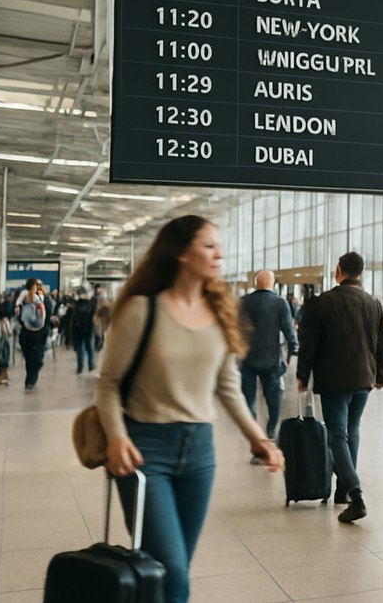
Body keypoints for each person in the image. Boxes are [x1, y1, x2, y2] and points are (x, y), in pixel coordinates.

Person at [96, 215, 284, 603]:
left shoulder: (219, 312)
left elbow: (228, 387)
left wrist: (259, 439)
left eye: (219, 245)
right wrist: (115, 436)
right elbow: (109, 384)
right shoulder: (141, 311)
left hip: (200, 451)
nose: (220, 253)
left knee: (172, 569)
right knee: (173, 569)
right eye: (209, 245)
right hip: (145, 451)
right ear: (182, 253)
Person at [296, 251, 383, 523]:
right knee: (352, 429)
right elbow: (380, 343)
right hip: (364, 378)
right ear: (361, 272)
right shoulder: (374, 304)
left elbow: (309, 344)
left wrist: (303, 375)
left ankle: (356, 493)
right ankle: (342, 491)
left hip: (334, 378)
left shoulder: (322, 303)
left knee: (337, 432)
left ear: (338, 270)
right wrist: (381, 374)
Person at [239, 271, 299, 453]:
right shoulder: (280, 303)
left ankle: (255, 436)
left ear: (257, 283)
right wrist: (294, 348)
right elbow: (289, 329)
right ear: (272, 284)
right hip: (271, 360)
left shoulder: (243, 302)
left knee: (249, 400)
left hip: (247, 359)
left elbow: (235, 328)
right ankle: (270, 432)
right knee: (274, 399)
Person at [15, 279, 49, 392]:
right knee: (29, 357)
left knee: (38, 358)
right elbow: (17, 310)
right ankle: (30, 379)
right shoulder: (23, 297)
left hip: (40, 332)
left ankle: (31, 379)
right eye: (32, 287)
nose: (33, 290)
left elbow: (48, 312)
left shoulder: (42, 298)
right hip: (27, 332)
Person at [70, 287, 99, 374]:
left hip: (81, 328)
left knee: (82, 348)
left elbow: (74, 316)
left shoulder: (78, 303)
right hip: (87, 328)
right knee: (89, 347)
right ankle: (89, 365)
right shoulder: (93, 303)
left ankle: (81, 367)